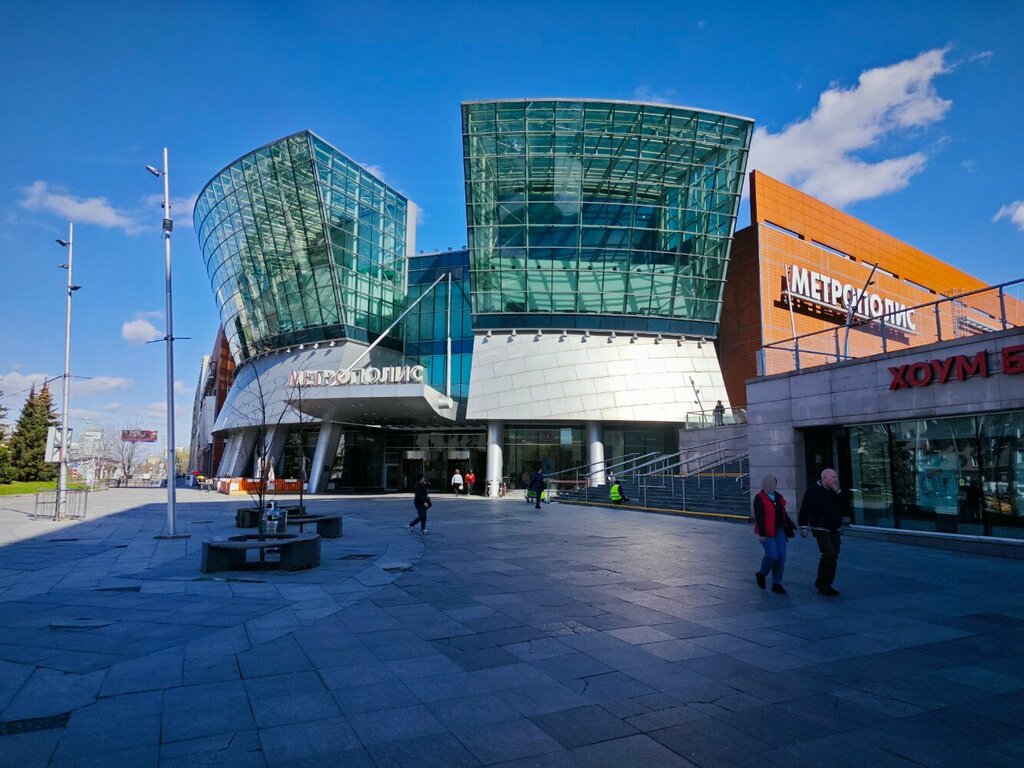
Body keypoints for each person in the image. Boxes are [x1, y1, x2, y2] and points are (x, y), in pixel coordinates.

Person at [799, 468, 846, 596]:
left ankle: (827, 583)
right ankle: (822, 584)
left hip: (834, 527)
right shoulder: (813, 490)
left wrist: (837, 491)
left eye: (836, 477)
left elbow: (844, 505)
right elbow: (805, 508)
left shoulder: (835, 491)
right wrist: (803, 526)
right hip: (820, 527)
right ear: (824, 478)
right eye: (832, 477)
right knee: (828, 553)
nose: (835, 480)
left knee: (834, 555)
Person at [752, 474, 793, 594]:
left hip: (780, 531)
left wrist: (791, 527)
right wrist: (762, 534)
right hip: (767, 531)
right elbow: (759, 517)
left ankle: (777, 583)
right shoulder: (759, 498)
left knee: (781, 558)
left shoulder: (778, 497)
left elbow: (783, 514)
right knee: (772, 555)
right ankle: (762, 574)